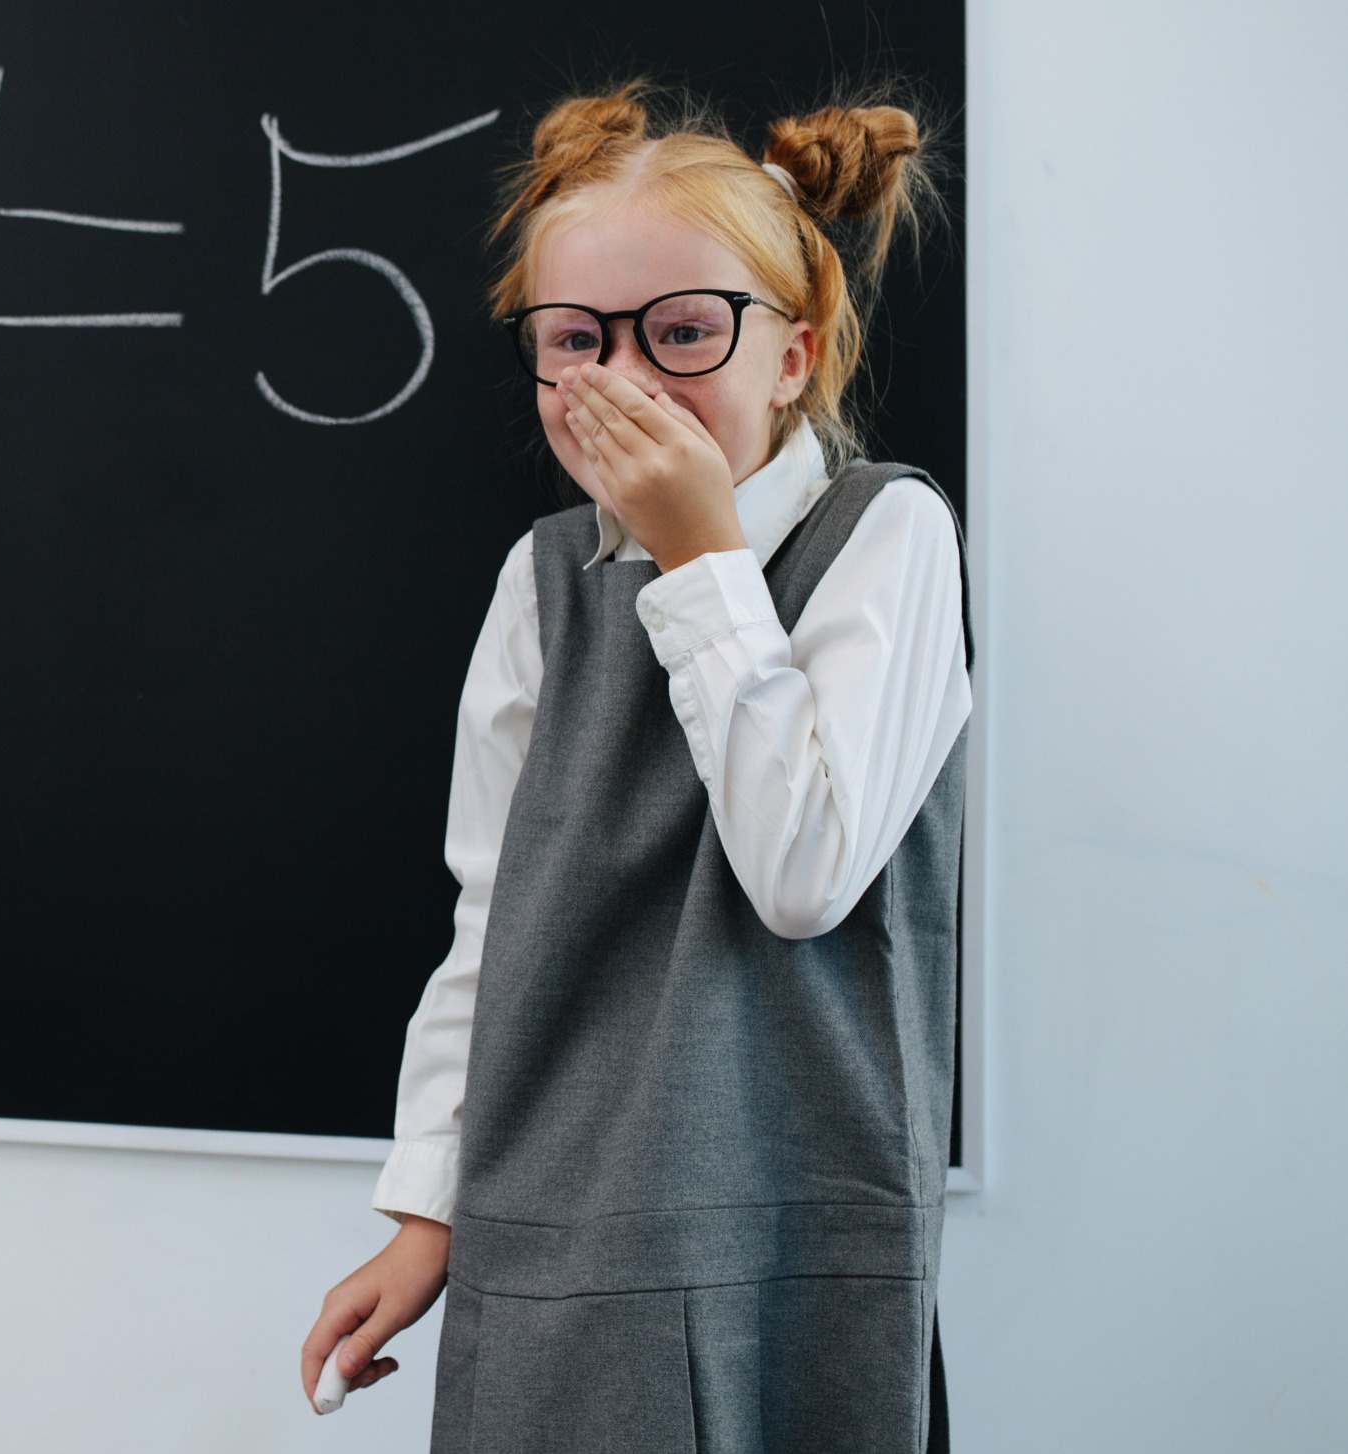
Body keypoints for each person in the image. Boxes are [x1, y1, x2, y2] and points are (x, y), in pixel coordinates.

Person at [300, 80, 970, 1453]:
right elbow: (493, 923)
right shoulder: (538, 584)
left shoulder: (886, 537)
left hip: (783, 1236)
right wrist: (428, 1207)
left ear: (795, 349)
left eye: (681, 332)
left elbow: (804, 871)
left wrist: (702, 558)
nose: (626, 380)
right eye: (573, 341)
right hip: (547, 1234)